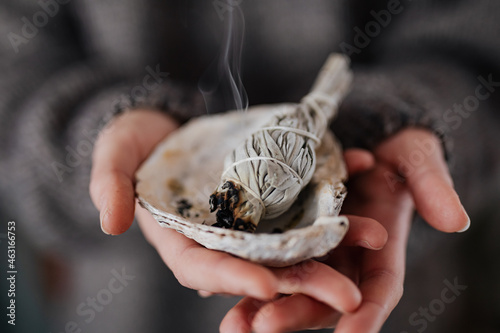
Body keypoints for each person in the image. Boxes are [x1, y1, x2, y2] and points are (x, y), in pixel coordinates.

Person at [1, 1, 499, 332]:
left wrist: (403, 112)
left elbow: (476, 43)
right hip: (121, 310)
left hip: (400, 300)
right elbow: (13, 68)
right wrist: (90, 132)